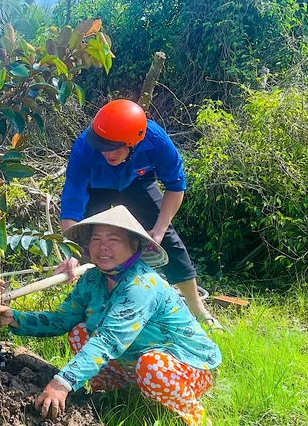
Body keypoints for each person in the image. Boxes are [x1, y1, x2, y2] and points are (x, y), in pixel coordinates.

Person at [0, 205, 222, 426]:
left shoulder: (141, 285)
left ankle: (195, 418)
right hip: (134, 359)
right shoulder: (93, 279)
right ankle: (115, 396)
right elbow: (61, 319)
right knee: (79, 332)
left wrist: (62, 383)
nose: (103, 247)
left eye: (113, 240)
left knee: (152, 366)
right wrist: (15, 318)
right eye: (96, 239)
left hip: (186, 366)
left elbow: (109, 339)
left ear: (135, 246)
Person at [60, 99, 219, 327]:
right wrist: (71, 250)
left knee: (169, 242)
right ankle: (90, 306)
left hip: (137, 181)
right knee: (89, 241)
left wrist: (159, 230)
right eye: (102, 147)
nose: (107, 153)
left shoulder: (156, 141)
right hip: (95, 188)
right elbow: (72, 201)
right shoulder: (85, 147)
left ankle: (198, 308)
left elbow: (175, 187)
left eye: (113, 147)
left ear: (134, 142)